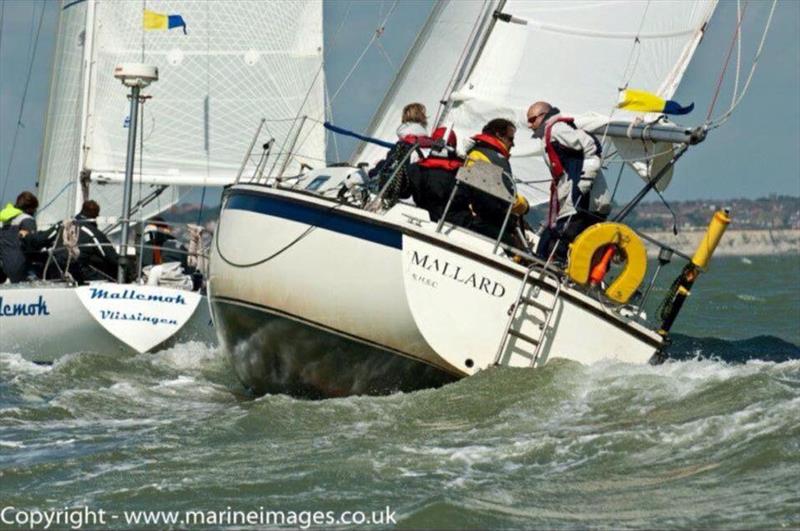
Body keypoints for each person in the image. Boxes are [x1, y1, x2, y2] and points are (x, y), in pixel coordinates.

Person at [527, 101, 611, 262]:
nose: (530, 125)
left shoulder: (557, 129)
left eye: (532, 120)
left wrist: (586, 179)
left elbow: (591, 144)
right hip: (575, 200)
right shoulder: (549, 134)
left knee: (559, 242)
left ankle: (552, 270)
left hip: (582, 200)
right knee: (552, 239)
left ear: (543, 116)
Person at [463, 118, 529, 242]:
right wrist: (524, 205)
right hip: (480, 219)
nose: (513, 144)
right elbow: (509, 197)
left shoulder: (474, 152)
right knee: (513, 244)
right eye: (511, 139)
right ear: (498, 135)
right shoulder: (496, 159)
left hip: (470, 214)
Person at [407, 126, 472, 226]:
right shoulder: (463, 173)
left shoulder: (415, 170)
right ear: (453, 146)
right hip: (458, 225)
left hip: (423, 220)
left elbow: (404, 192)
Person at [49, 200, 120, 283]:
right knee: (110, 277)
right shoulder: (92, 232)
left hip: (55, 269)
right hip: (78, 273)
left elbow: (43, 238)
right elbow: (110, 256)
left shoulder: (62, 225)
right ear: (95, 215)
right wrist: (125, 266)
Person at [0, 192, 39, 282]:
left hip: (4, 271)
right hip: (20, 271)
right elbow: (33, 245)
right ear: (30, 209)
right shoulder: (27, 220)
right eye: (35, 209)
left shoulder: (2, 219)